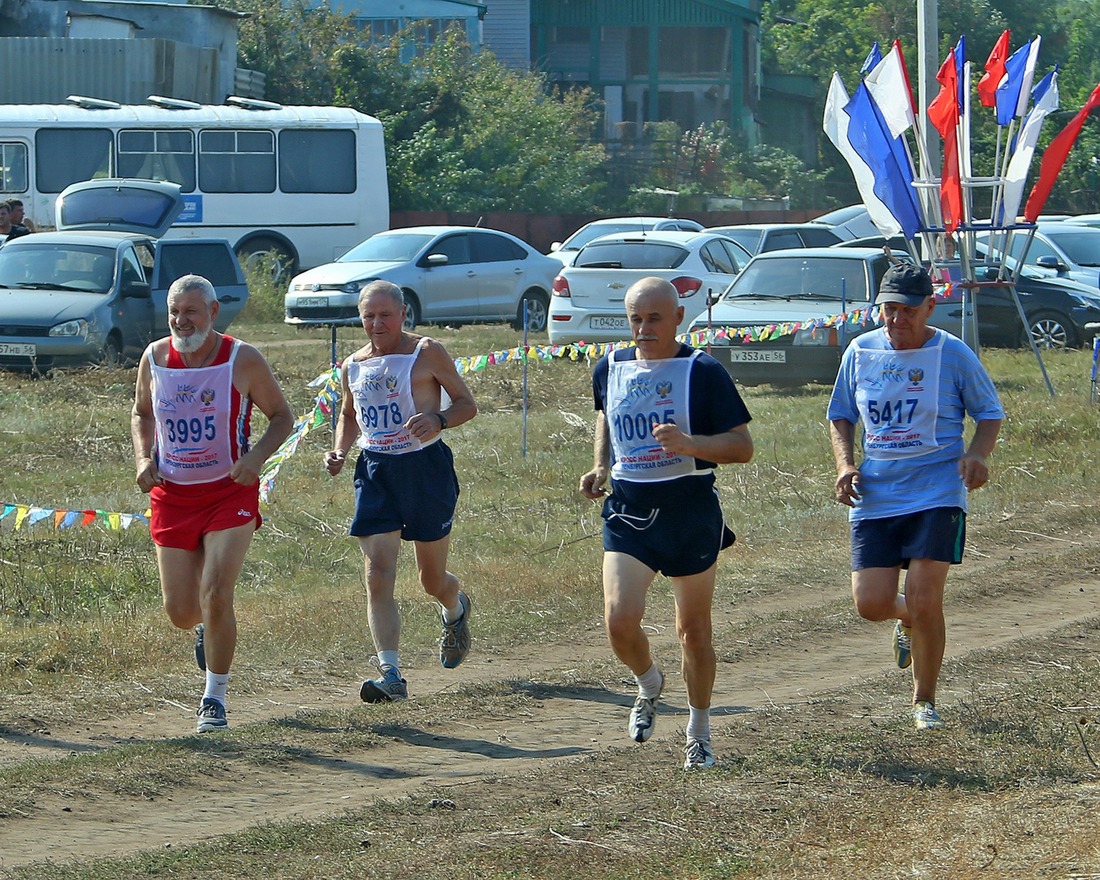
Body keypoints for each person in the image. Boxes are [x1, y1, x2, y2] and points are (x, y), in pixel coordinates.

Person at [579, 276, 754, 770]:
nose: (643, 328)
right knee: (618, 620)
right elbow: (606, 417)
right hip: (629, 511)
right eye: (636, 318)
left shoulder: (703, 371)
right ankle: (649, 682)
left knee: (694, 632)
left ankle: (698, 730)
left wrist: (690, 444)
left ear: (678, 318)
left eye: (654, 318)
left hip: (689, 514)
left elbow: (742, 446)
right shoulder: (610, 366)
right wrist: (600, 465)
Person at [827, 263, 1004, 731]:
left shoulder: (953, 353)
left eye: (907, 311)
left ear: (930, 306)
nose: (896, 320)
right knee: (871, 604)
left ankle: (924, 700)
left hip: (938, 490)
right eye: (888, 310)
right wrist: (846, 464)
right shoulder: (860, 352)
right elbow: (840, 415)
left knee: (926, 598)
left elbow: (989, 413)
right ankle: (909, 622)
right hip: (877, 494)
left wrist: (977, 455)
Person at [131, 274, 294, 733]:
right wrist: (144, 458)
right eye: (174, 313)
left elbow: (282, 416)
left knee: (218, 594)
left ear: (213, 312)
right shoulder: (155, 356)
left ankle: (214, 698)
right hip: (173, 495)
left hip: (229, 492)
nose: (182, 322)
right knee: (183, 612)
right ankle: (206, 626)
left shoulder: (242, 359)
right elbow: (142, 412)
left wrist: (256, 458)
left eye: (191, 312)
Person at [325, 280, 478, 702]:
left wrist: (440, 420)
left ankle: (455, 608)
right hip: (375, 470)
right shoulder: (352, 365)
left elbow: (467, 403)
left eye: (385, 315)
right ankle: (390, 674)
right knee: (378, 574)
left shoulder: (426, 352)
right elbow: (348, 414)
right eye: (368, 316)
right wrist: (339, 449)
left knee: (431, 579)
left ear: (403, 314)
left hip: (425, 469)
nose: (376, 324)